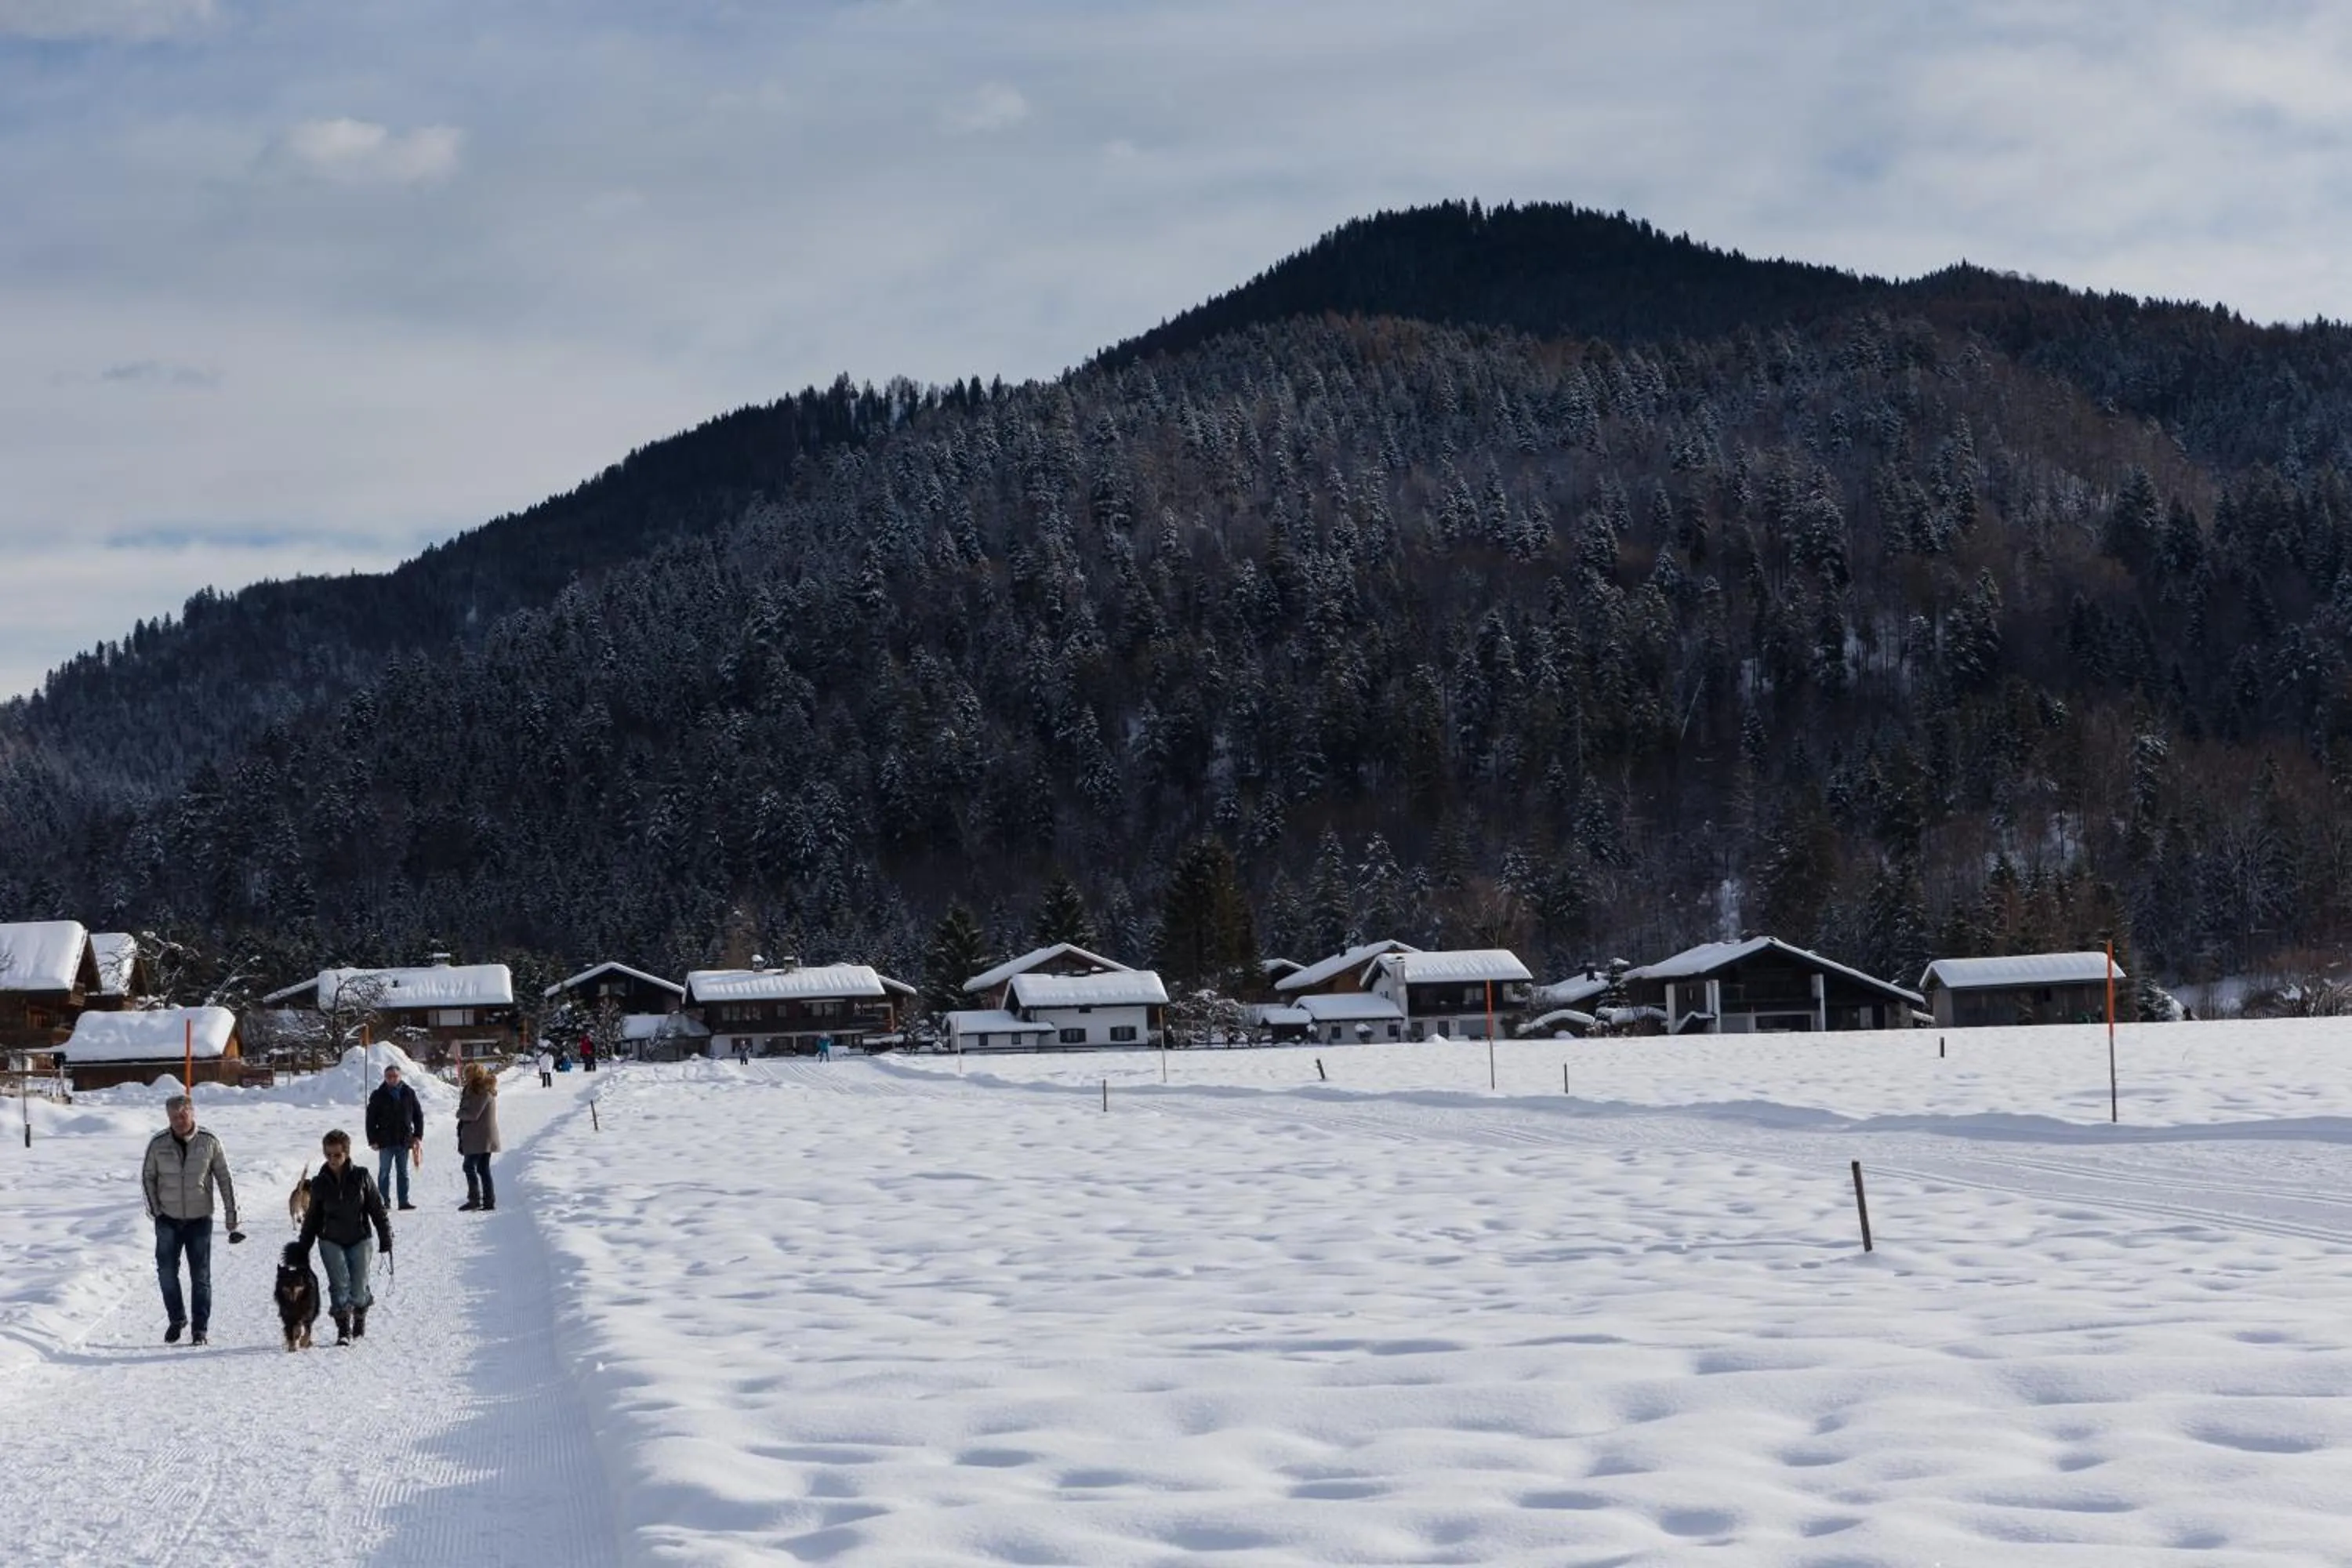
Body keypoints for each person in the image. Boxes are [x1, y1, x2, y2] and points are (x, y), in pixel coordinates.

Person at [141, 1094, 243, 1345]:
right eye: (173, 1116)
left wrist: (232, 1215)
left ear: (192, 1113)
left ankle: (200, 1329)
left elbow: (224, 1179)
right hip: (168, 1219)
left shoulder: (209, 1142)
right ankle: (177, 1319)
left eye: (183, 1114)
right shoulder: (158, 1144)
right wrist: (156, 1211)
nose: (178, 1120)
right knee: (166, 1272)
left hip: (199, 1219)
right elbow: (148, 1177)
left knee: (201, 1276)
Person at [297, 1128, 394, 1345]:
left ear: (347, 1153)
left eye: (337, 1155)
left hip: (359, 1238)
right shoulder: (320, 1183)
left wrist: (385, 1237)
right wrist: (302, 1248)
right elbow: (312, 1218)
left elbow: (377, 1210)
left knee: (358, 1287)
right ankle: (343, 1330)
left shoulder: (361, 1176)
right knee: (339, 1284)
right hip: (330, 1239)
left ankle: (360, 1313)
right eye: (328, 1155)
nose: (333, 1160)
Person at [364, 1063, 425, 1211]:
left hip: (403, 1140)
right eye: (388, 1076)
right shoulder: (378, 1094)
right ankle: (384, 1202)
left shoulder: (408, 1092)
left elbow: (418, 1115)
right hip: (384, 1141)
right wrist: (372, 1140)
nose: (392, 1079)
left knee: (403, 1172)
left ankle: (403, 1201)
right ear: (385, 1078)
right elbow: (370, 1119)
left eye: (395, 1076)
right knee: (384, 1172)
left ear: (400, 1076)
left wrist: (418, 1135)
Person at [456, 1062, 503, 1212]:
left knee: (469, 1166)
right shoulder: (476, 1090)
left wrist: (459, 1114)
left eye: (467, 1075)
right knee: (482, 1169)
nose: (465, 1078)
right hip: (479, 1136)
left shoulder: (480, 1091)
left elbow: (473, 1114)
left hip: (480, 1137)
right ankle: (488, 1200)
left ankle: (475, 1199)